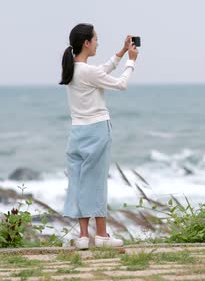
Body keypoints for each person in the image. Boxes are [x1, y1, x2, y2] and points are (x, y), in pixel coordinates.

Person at [59, 23, 139, 249]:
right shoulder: (88, 72)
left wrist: (122, 52)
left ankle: (84, 237)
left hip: (76, 132)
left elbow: (101, 70)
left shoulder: (71, 69)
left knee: (78, 181)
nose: (97, 43)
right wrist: (131, 61)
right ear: (86, 43)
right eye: (95, 39)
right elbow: (121, 84)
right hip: (96, 130)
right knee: (96, 182)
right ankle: (102, 236)